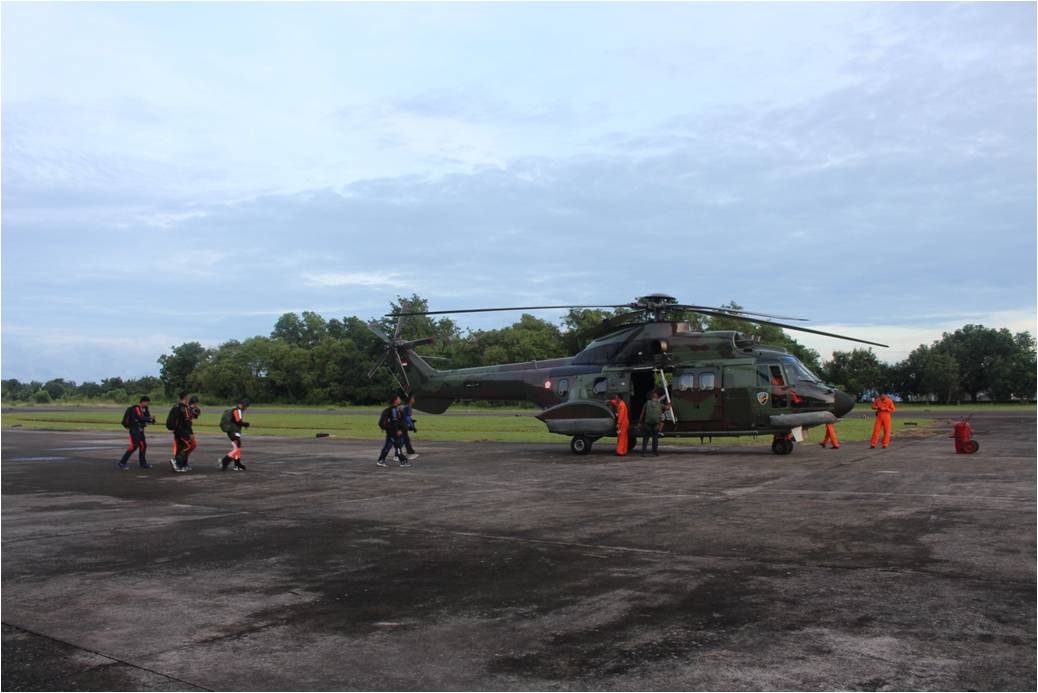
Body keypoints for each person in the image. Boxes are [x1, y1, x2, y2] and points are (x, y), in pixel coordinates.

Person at [118, 395, 157, 469]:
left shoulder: (144, 409)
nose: (148, 404)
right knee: (134, 446)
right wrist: (149, 419)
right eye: (147, 403)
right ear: (143, 402)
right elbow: (140, 417)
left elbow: (146, 417)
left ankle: (143, 463)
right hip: (134, 430)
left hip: (140, 430)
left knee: (143, 446)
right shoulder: (136, 408)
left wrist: (151, 420)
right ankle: (122, 462)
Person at [167, 392, 199, 473]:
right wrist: (190, 433)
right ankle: (176, 461)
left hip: (177, 431)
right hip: (182, 431)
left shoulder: (176, 406)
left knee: (181, 447)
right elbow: (187, 422)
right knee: (188, 446)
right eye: (188, 397)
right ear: (186, 398)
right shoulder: (184, 408)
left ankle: (182, 464)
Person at [377, 395, 411, 468]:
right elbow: (395, 422)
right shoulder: (393, 410)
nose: (400, 400)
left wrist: (401, 430)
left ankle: (402, 461)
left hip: (393, 432)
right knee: (389, 446)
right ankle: (381, 460)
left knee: (396, 446)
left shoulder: (396, 409)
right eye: (399, 399)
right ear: (395, 400)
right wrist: (397, 431)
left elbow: (400, 422)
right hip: (393, 433)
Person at [218, 397, 251, 471]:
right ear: (244, 405)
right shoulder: (237, 410)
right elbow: (238, 421)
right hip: (233, 431)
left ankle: (237, 464)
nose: (246, 408)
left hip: (232, 431)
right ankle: (224, 461)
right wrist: (246, 424)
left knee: (237, 447)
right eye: (246, 407)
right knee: (237, 447)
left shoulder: (235, 409)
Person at [638, 389, 668, 457]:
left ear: (651, 397)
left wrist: (639, 422)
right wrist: (669, 404)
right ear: (657, 397)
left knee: (646, 438)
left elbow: (642, 414)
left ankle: (643, 452)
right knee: (655, 438)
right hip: (656, 424)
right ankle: (655, 452)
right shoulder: (659, 404)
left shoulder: (647, 403)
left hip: (647, 424)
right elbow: (667, 408)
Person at [401, 393, 419, 459]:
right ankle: (397, 453)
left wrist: (412, 420)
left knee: (406, 439)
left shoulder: (409, 406)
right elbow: (407, 418)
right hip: (403, 425)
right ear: (410, 400)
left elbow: (408, 417)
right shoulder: (408, 407)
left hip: (403, 424)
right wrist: (413, 426)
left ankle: (410, 451)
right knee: (403, 439)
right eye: (413, 398)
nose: (414, 399)